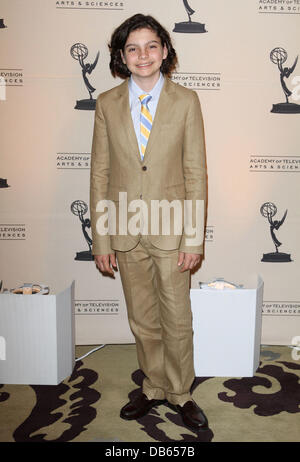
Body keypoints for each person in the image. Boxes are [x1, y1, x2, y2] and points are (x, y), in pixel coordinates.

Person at [90, 13, 207, 431]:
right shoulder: (105, 103)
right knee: (142, 318)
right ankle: (154, 387)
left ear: (165, 51)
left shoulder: (186, 101)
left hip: (172, 229)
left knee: (176, 317)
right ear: (122, 56)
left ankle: (181, 392)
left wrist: (193, 238)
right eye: (133, 48)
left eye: (151, 46)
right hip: (124, 228)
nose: (143, 55)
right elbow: (100, 174)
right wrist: (101, 240)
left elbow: (195, 173)